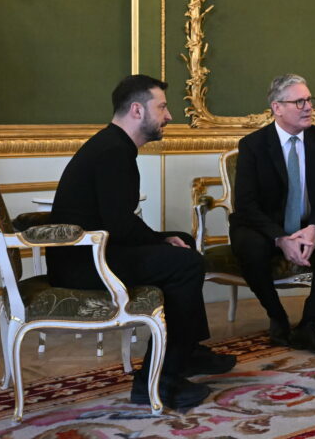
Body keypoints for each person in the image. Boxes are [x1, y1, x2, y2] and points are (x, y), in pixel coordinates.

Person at [46, 74, 235, 410]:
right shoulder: (113, 152)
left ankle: (186, 351)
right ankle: (157, 382)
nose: (169, 115)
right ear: (137, 110)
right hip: (85, 264)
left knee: (184, 243)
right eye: (161, 107)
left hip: (92, 252)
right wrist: (162, 243)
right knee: (186, 261)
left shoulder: (112, 145)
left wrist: (165, 239)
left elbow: (115, 222)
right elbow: (119, 224)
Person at [229, 74, 315, 353]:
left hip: (308, 225)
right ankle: (277, 317)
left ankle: (310, 324)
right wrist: (280, 238)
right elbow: (246, 204)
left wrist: (314, 228)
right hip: (264, 227)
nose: (308, 107)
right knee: (247, 244)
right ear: (277, 108)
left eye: (309, 100)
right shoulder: (253, 145)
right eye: (299, 101)